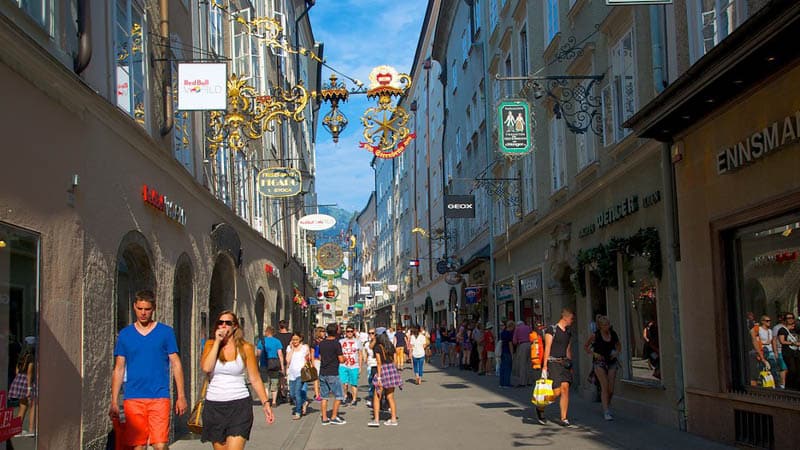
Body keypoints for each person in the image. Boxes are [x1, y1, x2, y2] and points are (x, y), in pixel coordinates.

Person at [109, 290, 187, 450]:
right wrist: (114, 400)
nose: (143, 313)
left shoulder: (165, 332)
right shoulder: (125, 335)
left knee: (160, 445)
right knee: (138, 446)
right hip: (133, 398)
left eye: (147, 309)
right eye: (140, 308)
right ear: (134, 307)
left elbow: (176, 364)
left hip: (159, 396)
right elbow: (119, 368)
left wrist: (181, 396)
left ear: (154, 309)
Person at [200, 311, 273, 448]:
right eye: (220, 323)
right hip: (215, 406)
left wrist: (265, 403)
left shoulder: (246, 348)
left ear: (235, 327)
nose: (223, 326)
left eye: (228, 323)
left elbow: (255, 378)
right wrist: (217, 341)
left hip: (239, 405)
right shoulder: (210, 345)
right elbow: (206, 368)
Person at [541, 308, 575, 427]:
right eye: (571, 319)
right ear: (565, 317)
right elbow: (547, 348)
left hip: (564, 363)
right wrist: (545, 366)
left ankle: (563, 417)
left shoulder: (569, 332)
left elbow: (568, 349)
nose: (572, 321)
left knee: (565, 389)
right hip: (553, 362)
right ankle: (541, 405)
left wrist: (570, 364)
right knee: (556, 392)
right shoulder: (552, 330)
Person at [584, 316, 621, 420]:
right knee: (604, 386)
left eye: (608, 324)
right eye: (604, 325)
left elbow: (619, 346)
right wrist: (594, 354)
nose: (607, 327)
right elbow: (586, 346)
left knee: (611, 389)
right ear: (600, 326)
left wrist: (616, 353)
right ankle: (606, 411)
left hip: (611, 361)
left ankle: (607, 405)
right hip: (599, 362)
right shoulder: (595, 335)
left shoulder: (613, 334)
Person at [368, 330, 402, 427]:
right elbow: (395, 360)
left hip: (383, 370)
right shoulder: (391, 345)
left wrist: (378, 377)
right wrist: (395, 371)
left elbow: (379, 362)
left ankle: (376, 419)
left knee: (377, 396)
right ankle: (394, 419)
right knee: (390, 396)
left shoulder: (378, 347)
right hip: (392, 369)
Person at [318, 323, 347, 425]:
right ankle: (334, 416)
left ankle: (324, 418)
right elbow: (341, 359)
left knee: (324, 397)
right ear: (336, 332)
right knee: (339, 395)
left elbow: (321, 357)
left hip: (322, 372)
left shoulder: (322, 343)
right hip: (333, 372)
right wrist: (344, 358)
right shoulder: (336, 343)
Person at [9, 338, 35, 437]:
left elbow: (16, 370)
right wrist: (29, 388)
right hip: (26, 383)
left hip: (19, 380)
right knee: (33, 405)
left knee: (22, 406)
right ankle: (31, 429)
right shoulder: (31, 358)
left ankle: (17, 430)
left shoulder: (21, 356)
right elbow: (29, 373)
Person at [255, 326, 284, 407]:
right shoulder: (277, 341)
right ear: (273, 332)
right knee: (274, 382)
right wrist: (282, 366)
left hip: (264, 364)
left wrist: (257, 365)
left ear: (266, 332)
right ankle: (274, 401)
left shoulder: (261, 341)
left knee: (265, 383)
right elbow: (280, 355)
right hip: (274, 365)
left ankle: (267, 400)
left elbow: (258, 355)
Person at [285, 332, 312, 419]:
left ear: (300, 339)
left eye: (296, 339)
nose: (295, 341)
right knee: (292, 394)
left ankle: (298, 412)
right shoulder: (289, 348)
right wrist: (292, 349)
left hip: (301, 373)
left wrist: (307, 364)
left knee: (297, 393)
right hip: (292, 374)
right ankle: (303, 402)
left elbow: (308, 359)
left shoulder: (304, 347)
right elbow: (287, 360)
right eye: (293, 340)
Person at [339, 325, 362, 406]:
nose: (349, 333)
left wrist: (360, 366)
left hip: (354, 365)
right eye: (348, 331)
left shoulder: (357, 341)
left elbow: (360, 354)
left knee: (354, 383)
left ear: (354, 332)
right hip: (343, 365)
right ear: (345, 332)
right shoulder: (341, 341)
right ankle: (345, 396)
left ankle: (354, 398)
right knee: (344, 383)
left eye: (351, 331)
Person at [776, 312, 800, 390]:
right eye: (788, 318)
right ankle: (788, 387)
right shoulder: (782, 330)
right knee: (792, 370)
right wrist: (793, 343)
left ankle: (795, 387)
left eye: (792, 318)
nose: (790, 320)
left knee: (797, 370)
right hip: (787, 353)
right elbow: (782, 341)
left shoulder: (796, 329)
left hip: (796, 352)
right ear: (785, 320)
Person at [512, 319, 535, 386]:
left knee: (522, 364)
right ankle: (530, 381)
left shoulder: (517, 329)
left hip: (522, 345)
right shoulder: (528, 327)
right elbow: (532, 334)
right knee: (529, 363)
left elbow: (514, 340)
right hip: (530, 345)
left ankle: (522, 382)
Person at [772, 314, 789, 389]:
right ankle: (782, 384)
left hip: (787, 351)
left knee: (787, 368)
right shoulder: (777, 327)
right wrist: (775, 352)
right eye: (784, 318)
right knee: (783, 368)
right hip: (779, 350)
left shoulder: (786, 327)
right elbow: (774, 340)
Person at [364, 328, 379, 408]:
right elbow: (366, 352)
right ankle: (371, 397)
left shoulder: (379, 343)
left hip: (378, 365)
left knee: (378, 383)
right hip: (370, 364)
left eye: (372, 333)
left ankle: (380, 399)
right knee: (371, 382)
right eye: (369, 333)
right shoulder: (367, 344)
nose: (371, 335)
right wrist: (365, 360)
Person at [499, 321, 515, 387]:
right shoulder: (509, 333)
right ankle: (506, 383)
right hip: (507, 352)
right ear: (511, 326)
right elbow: (510, 344)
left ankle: (502, 383)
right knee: (507, 368)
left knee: (502, 367)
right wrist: (512, 354)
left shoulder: (503, 332)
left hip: (503, 351)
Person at [312, 326, 325, 401]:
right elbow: (312, 353)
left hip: (323, 361)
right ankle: (317, 394)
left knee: (323, 378)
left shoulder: (325, 341)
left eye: (324, 331)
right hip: (316, 361)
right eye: (322, 331)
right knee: (316, 378)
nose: (324, 333)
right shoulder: (315, 342)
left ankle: (322, 392)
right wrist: (312, 363)